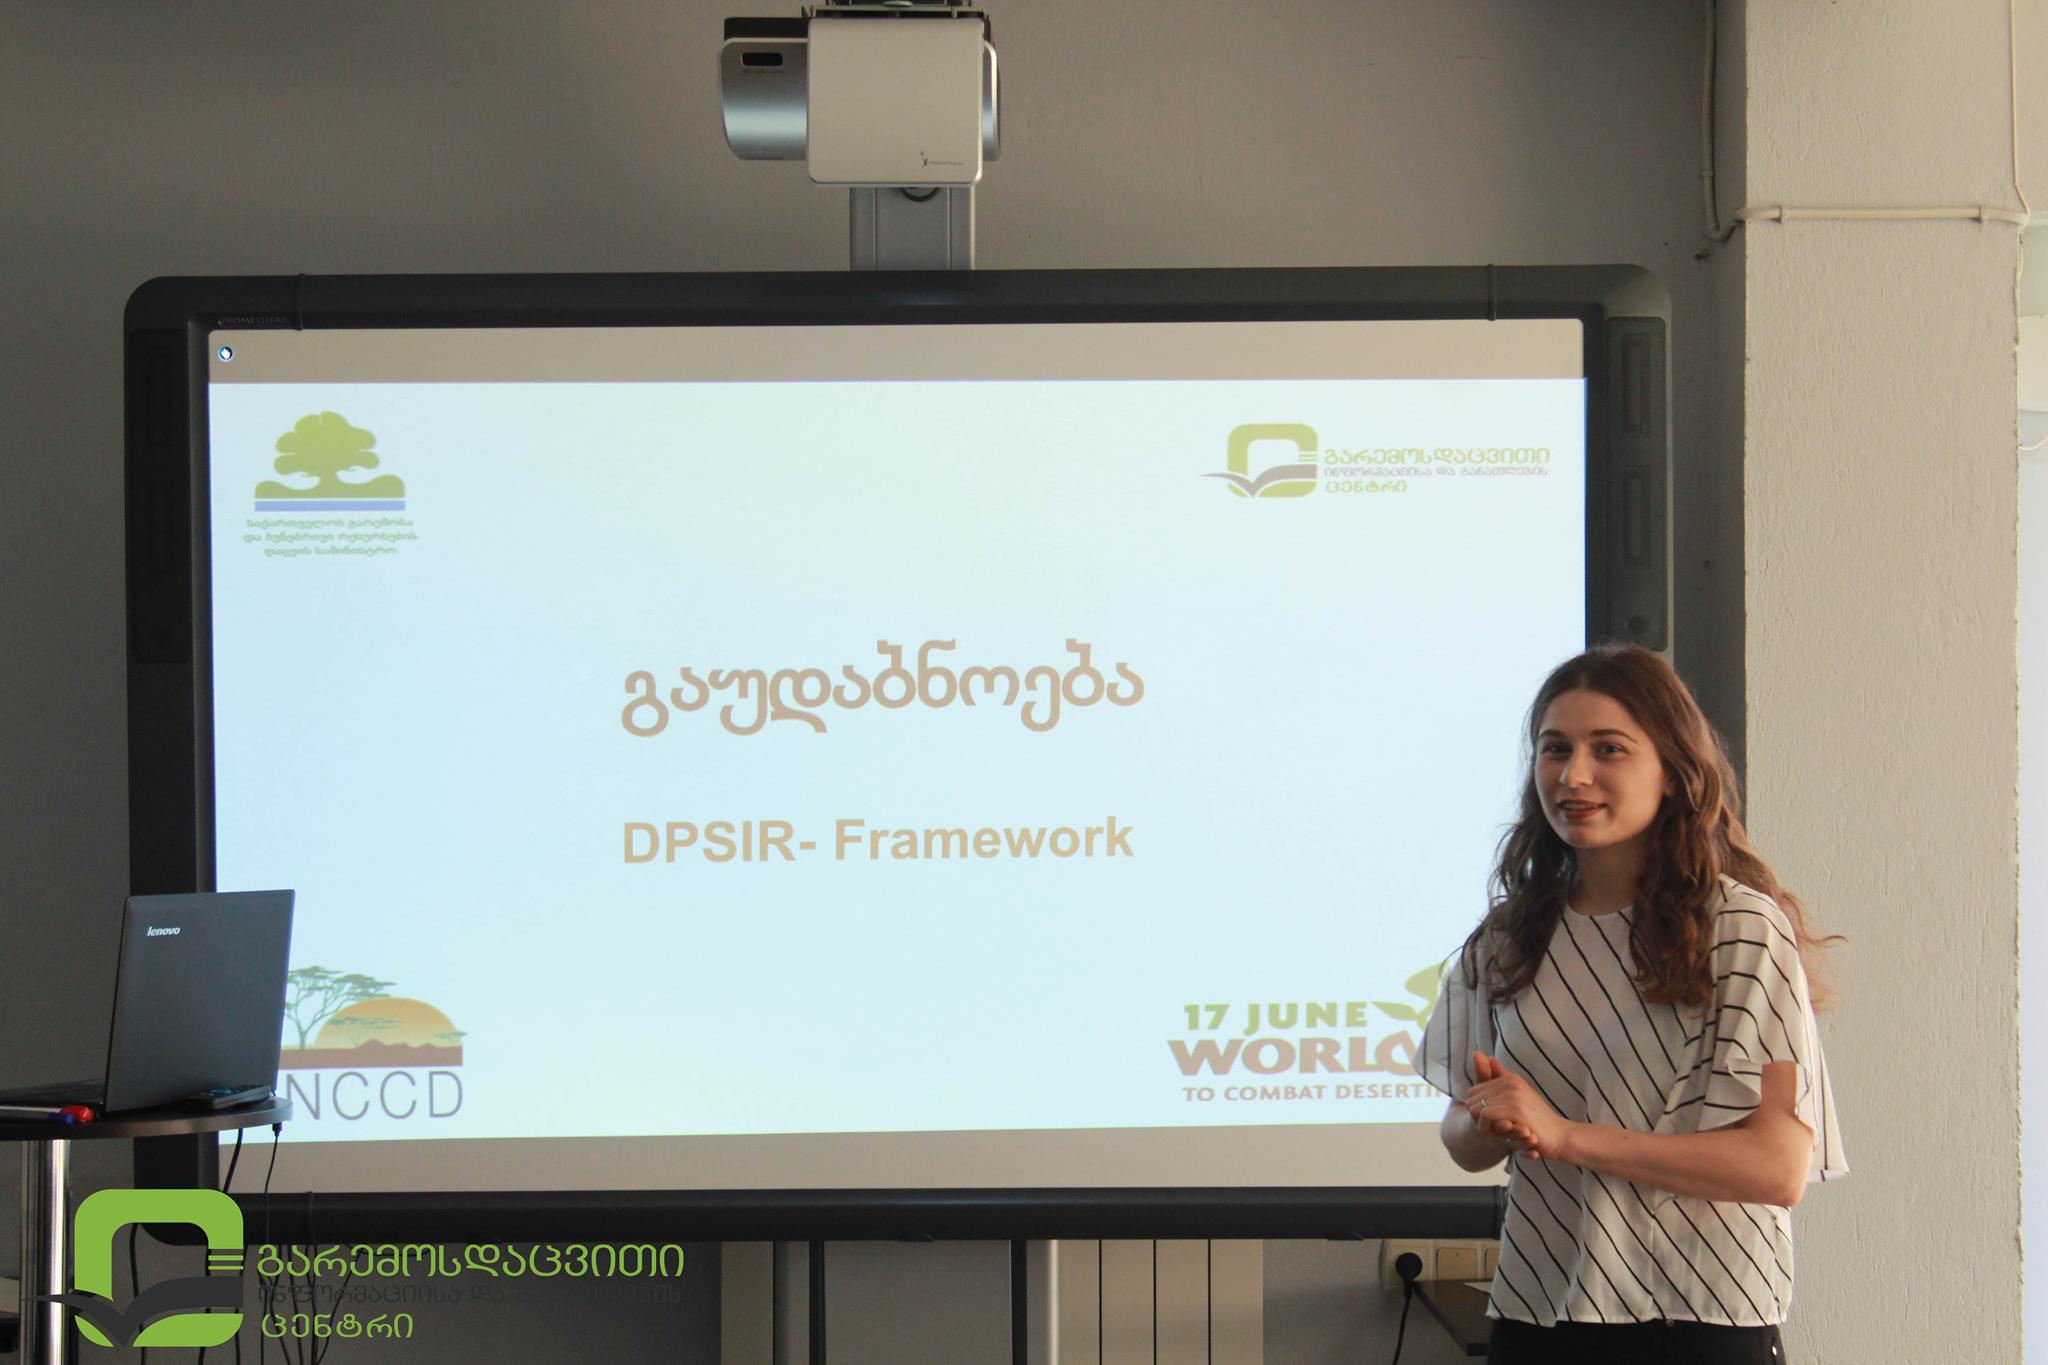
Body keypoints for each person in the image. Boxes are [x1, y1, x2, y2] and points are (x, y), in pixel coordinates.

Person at [1417, 643, 1844, 1364]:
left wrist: (1566, 1136)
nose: (1573, 774)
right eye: (1555, 748)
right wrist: (1492, 1120)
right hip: (1537, 1308)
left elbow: (1776, 1168)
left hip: (1700, 1315)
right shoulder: (1507, 935)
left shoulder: (1741, 928)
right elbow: (1462, 1138)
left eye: (1608, 748)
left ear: (1674, 773)